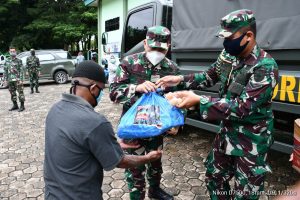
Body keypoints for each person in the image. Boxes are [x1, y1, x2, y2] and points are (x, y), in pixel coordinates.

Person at [156, 9, 279, 200]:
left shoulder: (265, 66)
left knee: (246, 193)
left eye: (230, 37)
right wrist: (178, 79)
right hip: (227, 132)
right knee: (214, 176)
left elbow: (243, 107)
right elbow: (209, 76)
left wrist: (198, 101)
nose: (225, 42)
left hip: (251, 139)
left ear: (248, 36)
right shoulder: (228, 55)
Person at [44, 61, 162, 200]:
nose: (101, 95)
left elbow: (77, 145)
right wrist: (148, 158)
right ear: (94, 88)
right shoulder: (95, 122)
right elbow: (120, 161)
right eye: (101, 90)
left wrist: (111, 145)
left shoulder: (54, 110)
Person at [110, 26, 182, 200]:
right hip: (133, 126)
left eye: (161, 48)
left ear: (168, 46)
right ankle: (137, 195)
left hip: (157, 126)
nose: (157, 52)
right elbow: (114, 93)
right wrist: (136, 88)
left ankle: (154, 189)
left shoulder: (171, 68)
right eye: (153, 47)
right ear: (144, 44)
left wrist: (178, 121)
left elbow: (178, 97)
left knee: (156, 161)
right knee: (135, 167)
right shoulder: (128, 63)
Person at [4, 47, 25, 112]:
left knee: (20, 93)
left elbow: (21, 71)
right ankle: (15, 105)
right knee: (12, 93)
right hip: (10, 80)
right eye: (11, 51)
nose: (12, 52)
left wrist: (21, 79)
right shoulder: (7, 60)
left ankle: (22, 106)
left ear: (15, 52)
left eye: (14, 51)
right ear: (9, 52)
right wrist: (5, 80)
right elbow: (5, 71)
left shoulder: (19, 60)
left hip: (17, 80)